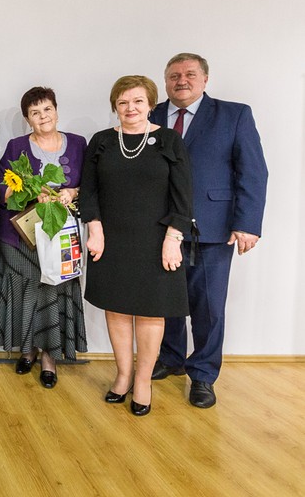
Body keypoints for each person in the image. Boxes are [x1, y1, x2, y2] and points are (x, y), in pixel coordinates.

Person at [150, 53, 268, 408]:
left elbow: (253, 171)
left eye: (189, 74)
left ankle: (202, 374)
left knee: (209, 306)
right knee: (165, 300)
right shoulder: (149, 114)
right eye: (173, 76)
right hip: (159, 226)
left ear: (204, 79)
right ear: (166, 81)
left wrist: (247, 223)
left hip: (213, 227)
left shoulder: (235, 115)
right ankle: (170, 359)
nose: (181, 81)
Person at [80, 75, 193, 416]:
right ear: (115, 106)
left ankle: (143, 380)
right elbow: (89, 192)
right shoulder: (101, 142)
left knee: (149, 311)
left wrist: (173, 239)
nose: (130, 108)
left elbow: (183, 197)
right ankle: (123, 375)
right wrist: (95, 230)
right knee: (115, 309)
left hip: (156, 241)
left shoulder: (169, 140)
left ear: (150, 104)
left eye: (138, 101)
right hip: (110, 239)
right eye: (123, 102)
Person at [0, 87, 87, 389]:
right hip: (22, 238)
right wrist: (32, 191)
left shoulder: (80, 144)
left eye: (47, 109)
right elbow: (1, 191)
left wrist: (73, 192)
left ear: (56, 111)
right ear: (27, 118)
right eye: (35, 112)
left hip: (62, 237)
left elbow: (93, 186)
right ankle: (27, 351)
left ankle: (50, 358)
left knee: (54, 293)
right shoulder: (16, 146)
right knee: (26, 292)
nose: (42, 116)